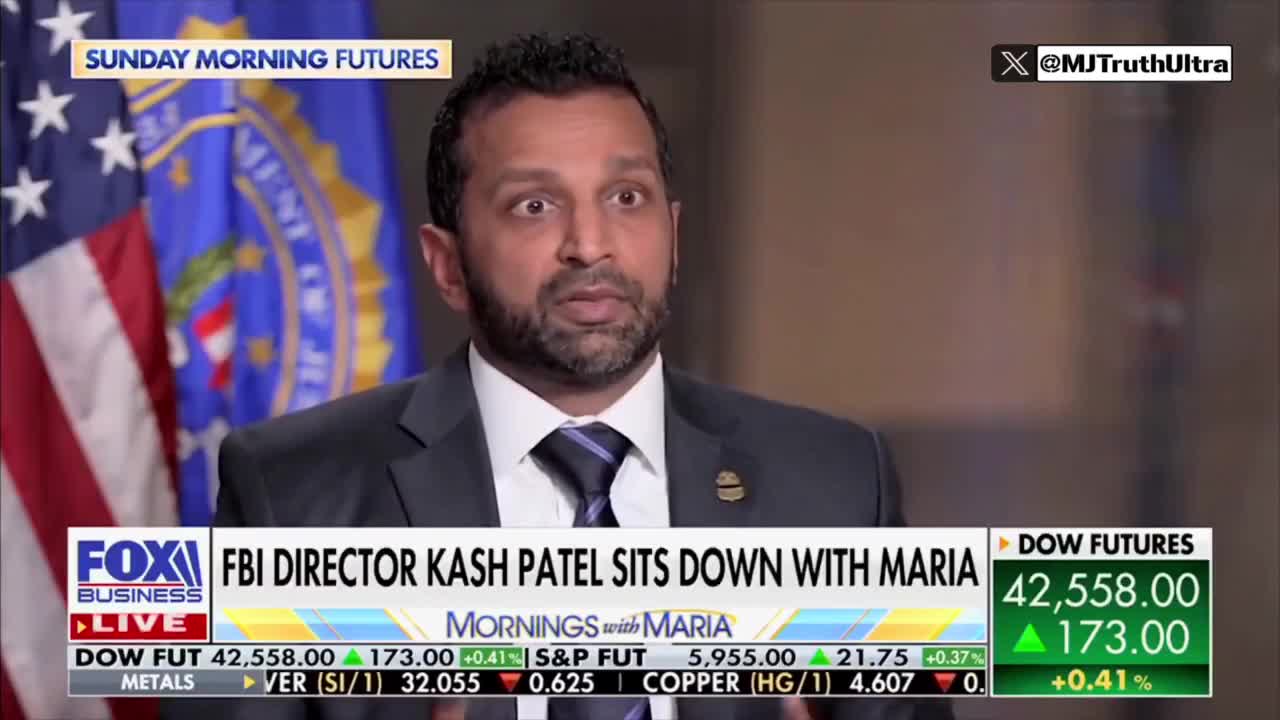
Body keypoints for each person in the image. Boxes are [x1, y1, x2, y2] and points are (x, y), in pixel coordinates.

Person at [169, 33, 954, 720]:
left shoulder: (837, 485)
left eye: (626, 197)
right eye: (535, 206)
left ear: (674, 235)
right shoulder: (290, 496)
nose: (590, 244)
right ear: (447, 265)